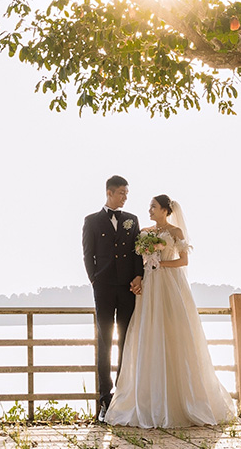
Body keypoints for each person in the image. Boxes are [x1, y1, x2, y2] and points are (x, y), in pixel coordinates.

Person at [104, 194, 237, 428]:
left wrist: (160, 264)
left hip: (169, 285)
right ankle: (148, 400)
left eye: (153, 207)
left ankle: (180, 400)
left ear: (166, 210)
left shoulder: (176, 233)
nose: (150, 210)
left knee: (175, 334)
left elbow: (183, 261)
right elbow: (139, 261)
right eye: (149, 207)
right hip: (149, 287)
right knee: (148, 333)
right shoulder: (144, 232)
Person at [82, 175, 144, 420]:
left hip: (128, 288)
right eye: (121, 193)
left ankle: (123, 395)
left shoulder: (132, 220)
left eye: (126, 193)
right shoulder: (92, 221)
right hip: (104, 288)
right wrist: (95, 281)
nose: (125, 197)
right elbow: (88, 255)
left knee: (127, 341)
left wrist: (138, 276)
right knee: (105, 342)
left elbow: (138, 252)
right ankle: (104, 400)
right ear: (109, 192)